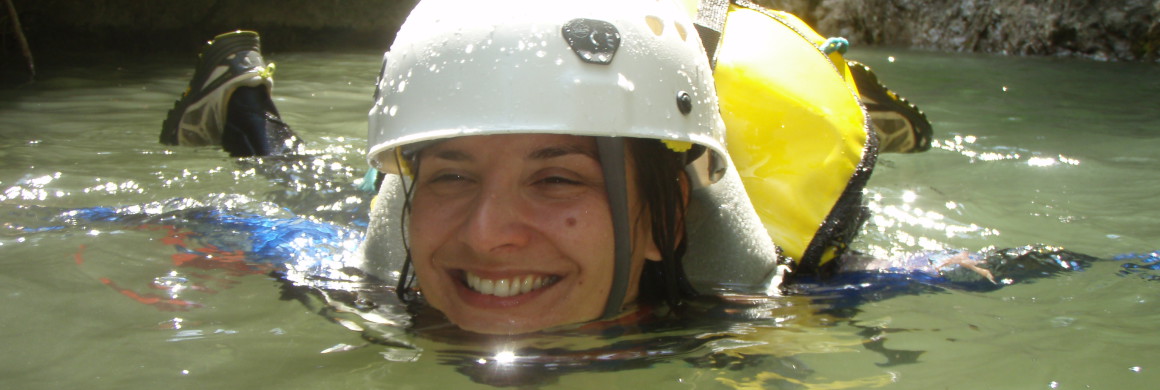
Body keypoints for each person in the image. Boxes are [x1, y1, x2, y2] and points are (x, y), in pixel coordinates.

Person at [158, 0, 946, 335]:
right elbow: (229, 229)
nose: (487, 234)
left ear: (665, 215)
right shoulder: (364, 276)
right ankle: (244, 110)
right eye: (450, 174)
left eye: (558, 177)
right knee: (311, 192)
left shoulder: (769, 300)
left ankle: (836, 103)